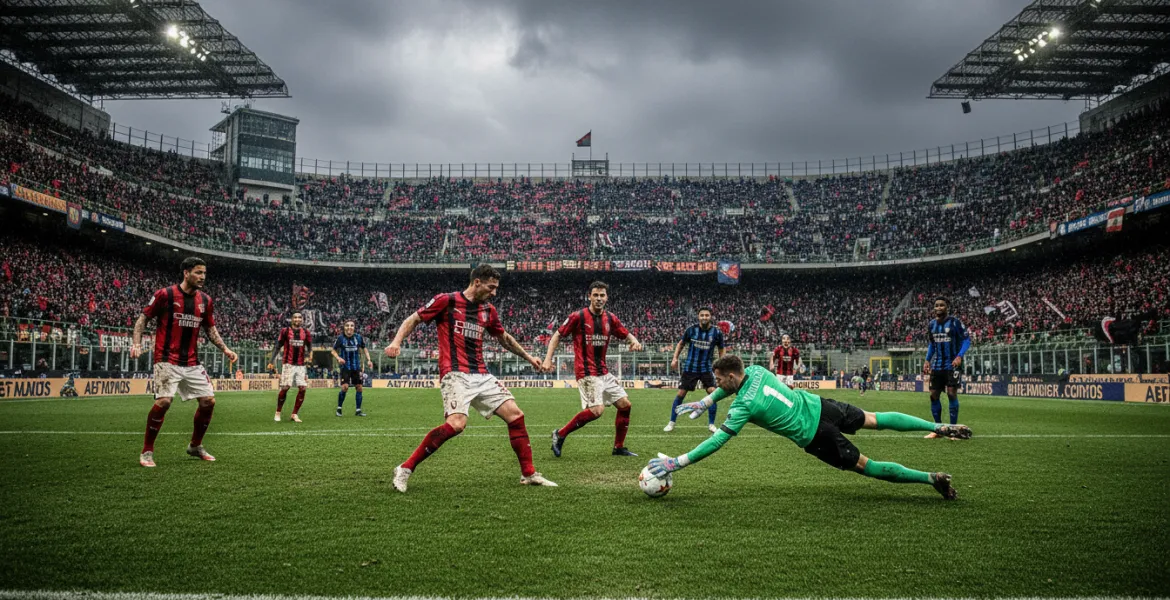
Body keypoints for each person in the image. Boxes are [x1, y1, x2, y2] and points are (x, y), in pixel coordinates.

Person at [648, 355, 970, 500]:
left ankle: (930, 479)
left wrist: (678, 461)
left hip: (816, 435)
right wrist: (705, 403)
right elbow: (727, 389)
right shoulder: (757, 370)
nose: (715, 387)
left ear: (731, 377)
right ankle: (938, 425)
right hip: (821, 405)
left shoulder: (743, 407)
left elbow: (717, 442)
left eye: (718, 382)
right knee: (875, 418)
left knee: (866, 466)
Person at [383, 265, 556, 492]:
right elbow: (413, 319)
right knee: (456, 425)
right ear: (477, 282)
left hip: (481, 374)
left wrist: (527, 356)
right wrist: (396, 342)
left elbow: (503, 337)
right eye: (491, 287)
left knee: (516, 416)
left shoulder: (488, 310)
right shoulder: (447, 301)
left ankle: (529, 473)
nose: (494, 293)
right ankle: (405, 468)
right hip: (455, 374)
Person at [131, 257, 238, 468]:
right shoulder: (165, 295)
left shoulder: (205, 300)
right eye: (198, 272)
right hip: (166, 359)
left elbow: (210, 328)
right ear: (186, 273)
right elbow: (143, 318)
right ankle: (147, 451)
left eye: (204, 273)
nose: (202, 277)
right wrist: (136, 343)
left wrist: (225, 348)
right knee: (164, 402)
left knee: (208, 401)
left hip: (191, 361)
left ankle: (195, 446)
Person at [544, 281, 644, 458]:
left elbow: (626, 334)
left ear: (607, 297)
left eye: (602, 295)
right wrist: (547, 359)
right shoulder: (578, 316)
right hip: (586, 372)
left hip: (603, 371)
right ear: (589, 296)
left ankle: (618, 447)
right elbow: (557, 335)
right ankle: (559, 434)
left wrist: (634, 341)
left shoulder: (610, 318)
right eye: (595, 295)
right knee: (597, 410)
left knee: (625, 405)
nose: (599, 298)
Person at [666, 307, 725, 433]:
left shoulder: (716, 332)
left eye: (707, 315)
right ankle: (671, 423)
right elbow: (681, 344)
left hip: (706, 368)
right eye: (702, 315)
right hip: (690, 368)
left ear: (710, 317)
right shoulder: (691, 330)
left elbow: (721, 349)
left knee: (713, 394)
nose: (704, 317)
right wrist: (675, 358)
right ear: (698, 317)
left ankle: (711, 425)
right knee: (680, 394)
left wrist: (722, 364)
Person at [924, 297, 970, 438]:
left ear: (947, 307)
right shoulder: (931, 325)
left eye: (942, 305)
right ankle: (938, 430)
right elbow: (932, 344)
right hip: (937, 365)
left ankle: (953, 430)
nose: (939, 307)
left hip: (952, 365)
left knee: (951, 394)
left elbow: (966, 340)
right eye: (936, 305)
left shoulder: (955, 322)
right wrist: (927, 360)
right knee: (933, 395)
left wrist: (959, 356)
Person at [270, 312, 312, 423]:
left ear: (302, 319)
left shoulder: (306, 332)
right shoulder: (285, 331)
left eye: (299, 317)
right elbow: (278, 346)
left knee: (303, 388)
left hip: (301, 365)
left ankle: (294, 414)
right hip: (288, 364)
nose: (297, 319)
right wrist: (271, 361)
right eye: (295, 317)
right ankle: (278, 412)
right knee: (285, 388)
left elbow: (309, 346)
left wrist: (310, 356)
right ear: (291, 319)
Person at [332, 319, 373, 417]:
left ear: (354, 328)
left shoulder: (358, 338)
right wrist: (338, 358)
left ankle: (358, 410)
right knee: (345, 387)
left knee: (359, 387)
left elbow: (365, 349)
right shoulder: (340, 338)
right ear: (344, 327)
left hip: (356, 367)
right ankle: (339, 408)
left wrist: (369, 360)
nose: (349, 327)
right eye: (347, 325)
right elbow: (333, 351)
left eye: (352, 325)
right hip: (345, 367)